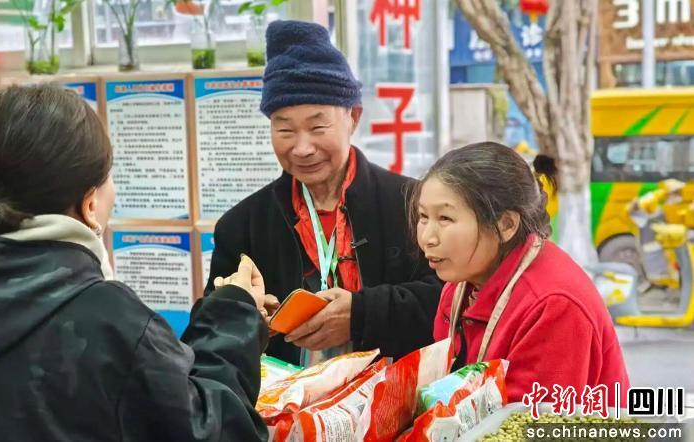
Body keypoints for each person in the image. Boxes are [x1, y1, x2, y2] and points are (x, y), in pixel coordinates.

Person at [0, 84, 269, 441]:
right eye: (109, 176)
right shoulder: (105, 319)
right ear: (89, 205)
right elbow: (211, 429)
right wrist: (233, 316)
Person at [205, 20, 442, 366]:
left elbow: (451, 297)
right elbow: (210, 329)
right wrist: (247, 316)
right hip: (286, 398)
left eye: (318, 127)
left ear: (353, 117)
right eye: (285, 130)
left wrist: (362, 313)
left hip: (394, 394)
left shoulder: (411, 203)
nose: (302, 148)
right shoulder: (241, 226)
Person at [412, 142, 629, 404]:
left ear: (506, 225)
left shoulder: (553, 304)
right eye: (423, 216)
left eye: (445, 218)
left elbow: (529, 420)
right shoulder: (460, 284)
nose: (427, 237)